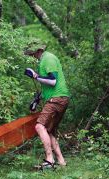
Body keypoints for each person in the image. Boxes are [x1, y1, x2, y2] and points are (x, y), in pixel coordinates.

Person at [24, 41, 70, 169]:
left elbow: (53, 81)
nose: (32, 56)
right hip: (59, 98)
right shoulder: (46, 58)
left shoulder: (47, 58)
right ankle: (61, 162)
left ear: (38, 51)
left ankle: (50, 159)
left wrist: (34, 76)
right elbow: (47, 83)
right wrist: (38, 98)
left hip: (57, 99)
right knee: (49, 131)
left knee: (39, 126)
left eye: (33, 53)